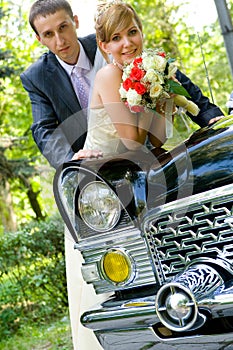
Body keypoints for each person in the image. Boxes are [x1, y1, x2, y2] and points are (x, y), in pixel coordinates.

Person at [20, 1, 106, 350]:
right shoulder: (36, 77)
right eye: (48, 34)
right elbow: (43, 130)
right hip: (87, 175)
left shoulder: (104, 43)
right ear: (40, 39)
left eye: (63, 28)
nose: (60, 40)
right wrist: (73, 160)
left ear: (76, 21)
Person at [73, 0, 224, 161]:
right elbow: (133, 142)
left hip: (131, 169)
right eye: (116, 38)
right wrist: (146, 97)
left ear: (141, 32)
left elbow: (157, 140)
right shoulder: (109, 75)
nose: (127, 43)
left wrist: (165, 99)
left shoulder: (149, 71)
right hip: (101, 173)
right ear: (104, 46)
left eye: (132, 32)